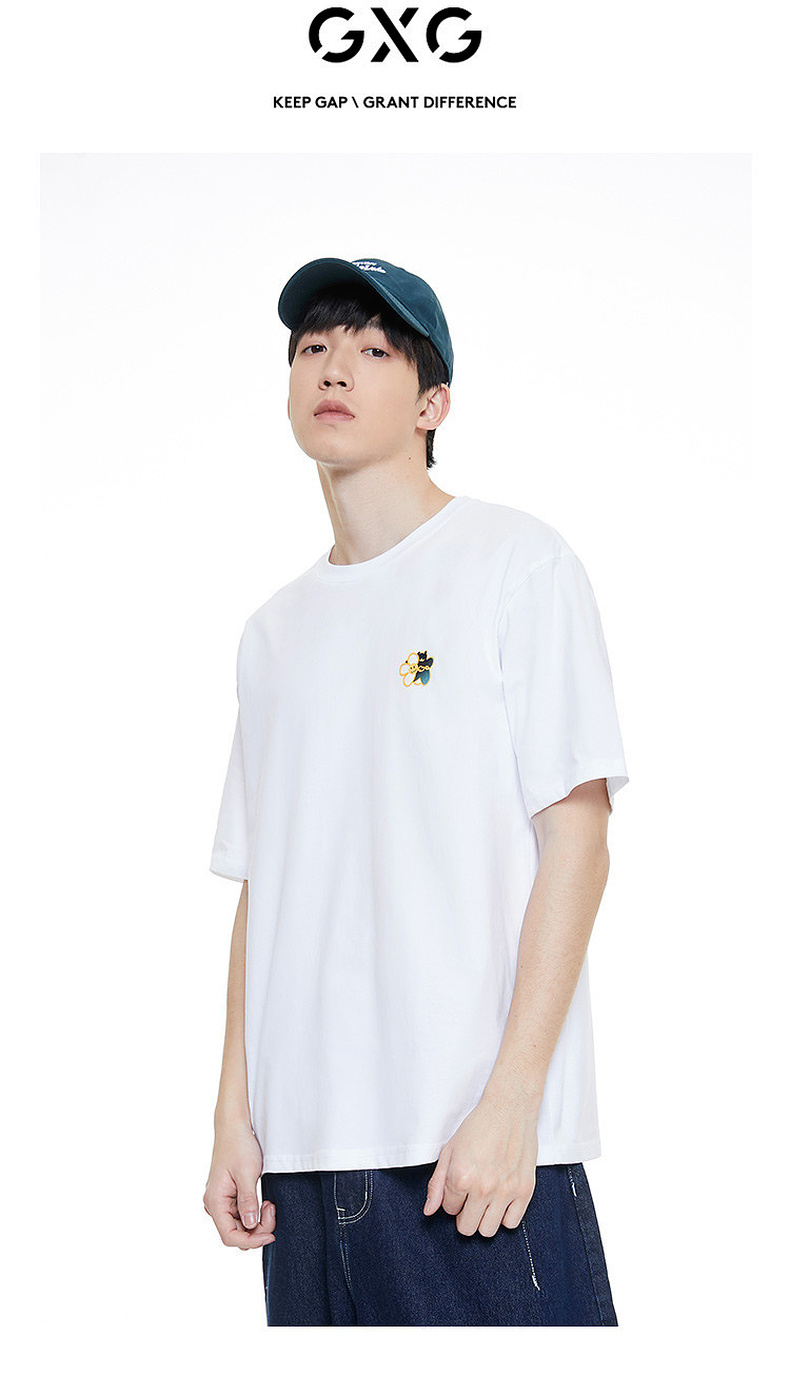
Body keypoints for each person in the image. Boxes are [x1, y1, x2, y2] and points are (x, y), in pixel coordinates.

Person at [203, 256, 630, 1326]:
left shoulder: (514, 563)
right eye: (313, 347)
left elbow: (578, 840)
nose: (334, 367)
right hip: (301, 1168)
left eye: (373, 349)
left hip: (469, 1156)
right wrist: (232, 1115)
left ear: (433, 403)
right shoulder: (272, 633)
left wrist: (513, 1102)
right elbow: (264, 886)